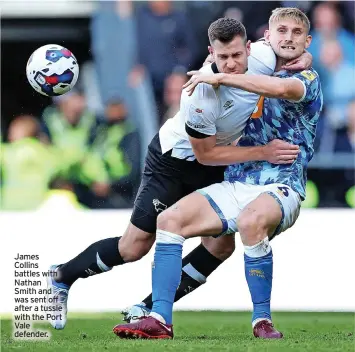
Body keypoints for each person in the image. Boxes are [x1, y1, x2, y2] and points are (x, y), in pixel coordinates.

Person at [46, 17, 303, 330]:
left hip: (216, 161)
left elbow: (292, 49)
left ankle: (150, 308)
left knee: (221, 245)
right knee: (134, 248)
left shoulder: (264, 56)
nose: (231, 64)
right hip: (175, 162)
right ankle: (61, 276)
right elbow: (205, 155)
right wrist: (263, 152)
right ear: (211, 53)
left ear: (250, 48)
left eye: (237, 55)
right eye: (223, 58)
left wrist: (306, 58)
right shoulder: (199, 94)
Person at [113, 7, 323, 340]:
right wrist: (214, 74)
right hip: (237, 180)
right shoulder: (252, 62)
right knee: (169, 221)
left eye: (297, 34)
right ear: (265, 39)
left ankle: (262, 321)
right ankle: (159, 318)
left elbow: (279, 90)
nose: (289, 38)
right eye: (281, 31)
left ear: (307, 41)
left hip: (282, 183)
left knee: (251, 221)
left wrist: (217, 75)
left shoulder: (305, 79)